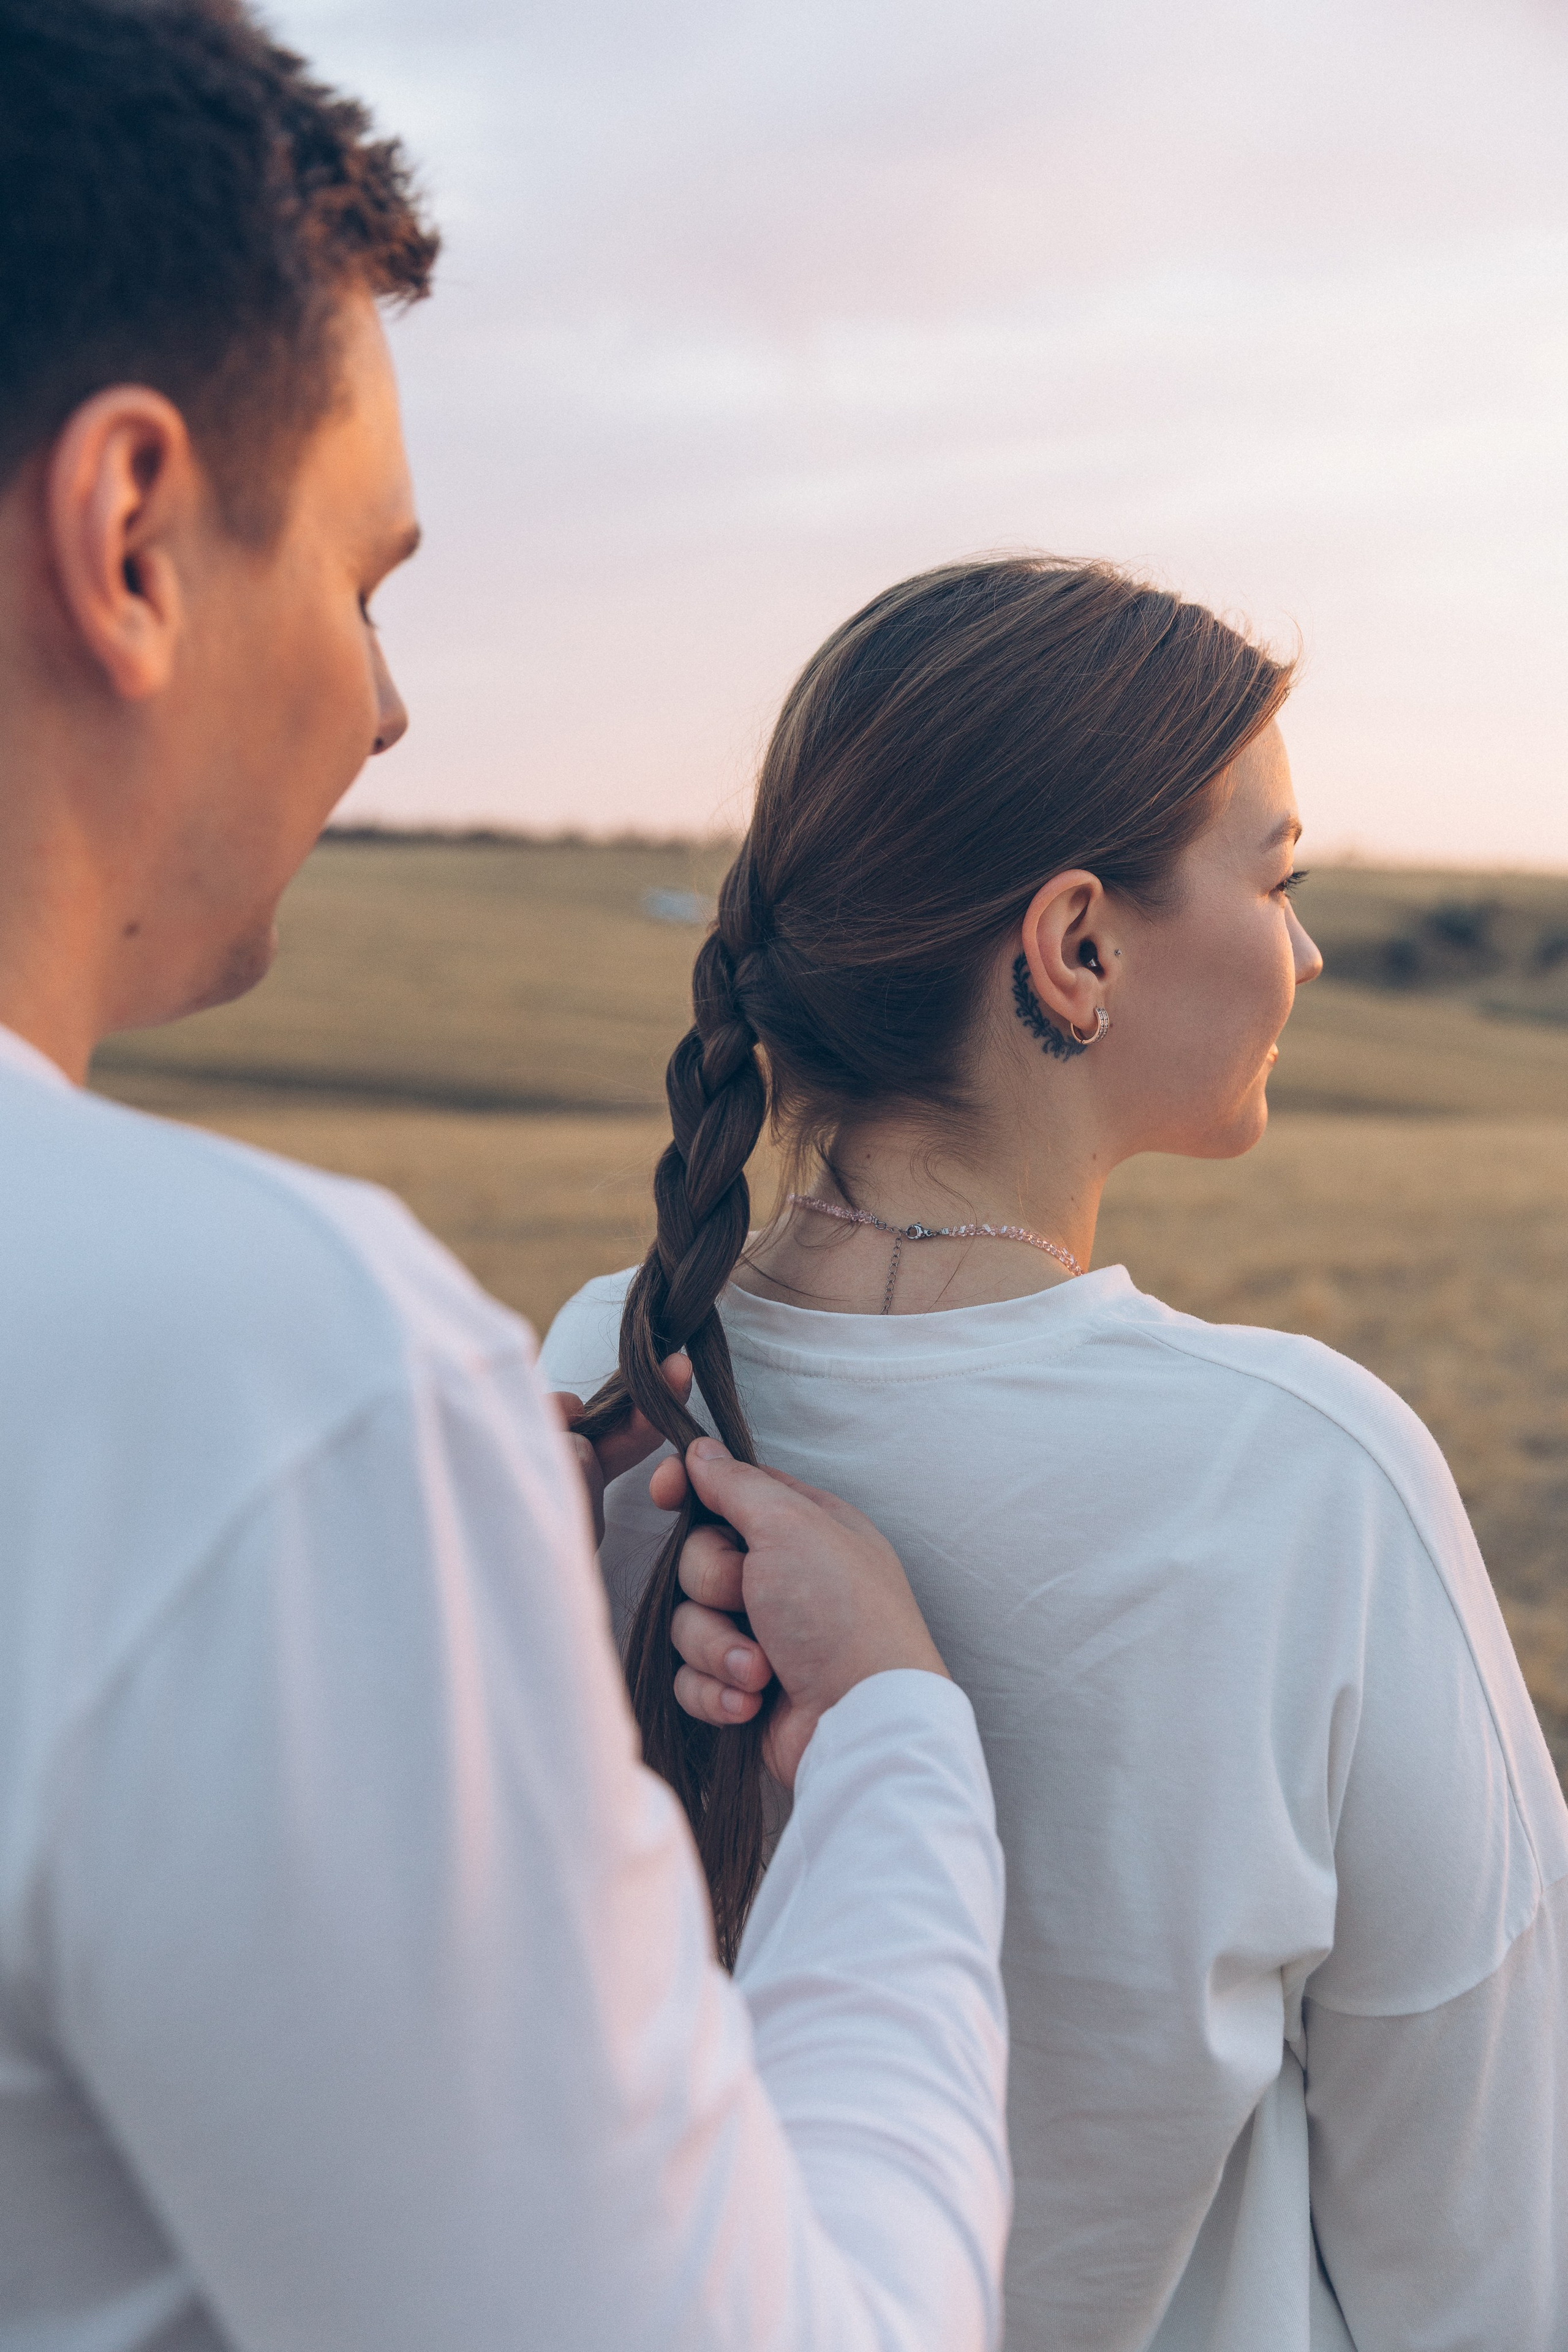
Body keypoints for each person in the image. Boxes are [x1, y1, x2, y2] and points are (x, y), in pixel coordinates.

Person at [0, 7, 1013, 2348]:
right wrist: (895, 1756)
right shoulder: (251, 1370)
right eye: (365, 580)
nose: (386, 704)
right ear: (132, 534)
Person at [545, 557, 1568, 2350]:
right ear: (1077, 944)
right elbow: (1485, 2256)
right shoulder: (1310, 1480)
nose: (1307, 948)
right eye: (1280, 877)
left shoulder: (605, 1382)